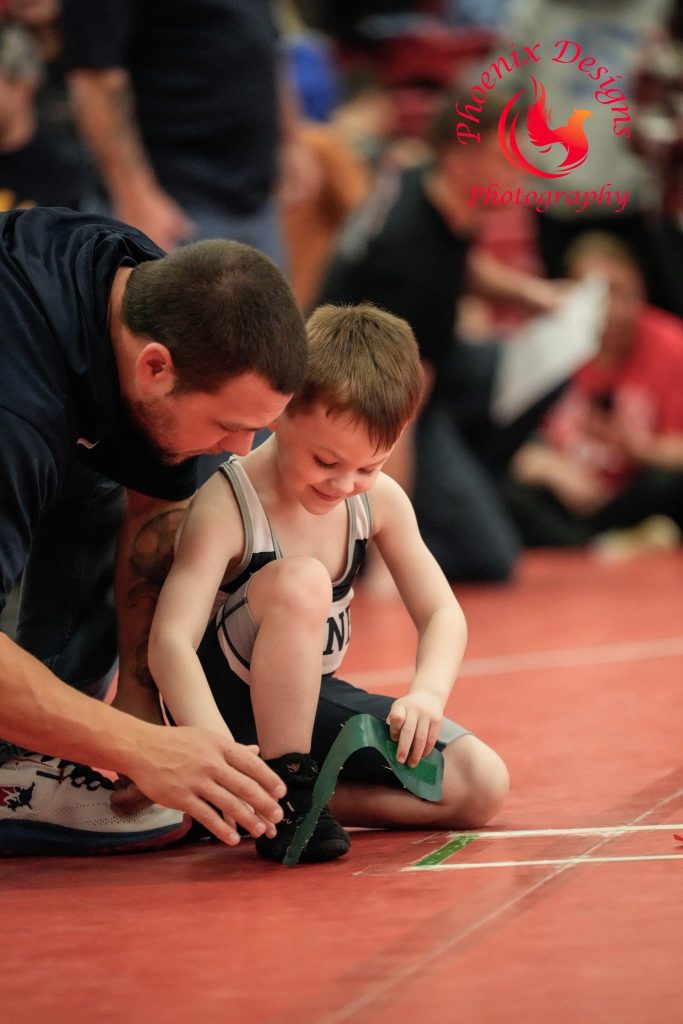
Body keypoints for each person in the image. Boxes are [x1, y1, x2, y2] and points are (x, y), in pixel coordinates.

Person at [148, 304, 510, 864]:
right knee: (303, 580)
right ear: (281, 412)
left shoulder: (377, 501)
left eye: (369, 467)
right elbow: (170, 640)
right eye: (325, 460)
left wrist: (427, 693)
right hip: (223, 714)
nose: (344, 485)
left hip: (306, 705)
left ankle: (281, 801)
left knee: (480, 783)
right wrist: (214, 750)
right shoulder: (229, 503)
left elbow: (442, 612)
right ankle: (279, 789)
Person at [0, 205, 308, 854]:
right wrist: (140, 747)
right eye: (228, 425)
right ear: (154, 368)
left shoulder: (137, 285)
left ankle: (28, 752)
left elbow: (156, 499)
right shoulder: (17, 415)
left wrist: (140, 693)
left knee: (117, 464)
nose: (240, 449)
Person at [318, 92, 564, 583]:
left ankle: (469, 478)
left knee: (547, 358)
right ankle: (371, 538)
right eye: (504, 158)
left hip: (425, 363)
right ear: (459, 160)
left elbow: (463, 261)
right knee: (491, 557)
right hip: (364, 404)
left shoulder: (425, 183)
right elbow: (397, 412)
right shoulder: (411, 264)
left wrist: (536, 296)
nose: (519, 170)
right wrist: (388, 556)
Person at [59, 0, 318, 261]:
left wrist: (291, 139)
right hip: (175, 204)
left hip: (255, 196)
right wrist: (135, 199)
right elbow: (95, 79)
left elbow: (262, 38)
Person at [503, 232, 683, 547]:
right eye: (600, 296)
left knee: (669, 484)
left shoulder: (672, 345)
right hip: (562, 493)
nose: (613, 310)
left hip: (635, 491)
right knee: (503, 490)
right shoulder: (543, 345)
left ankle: (595, 543)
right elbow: (499, 445)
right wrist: (548, 467)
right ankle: (601, 545)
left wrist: (641, 450)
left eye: (623, 294)